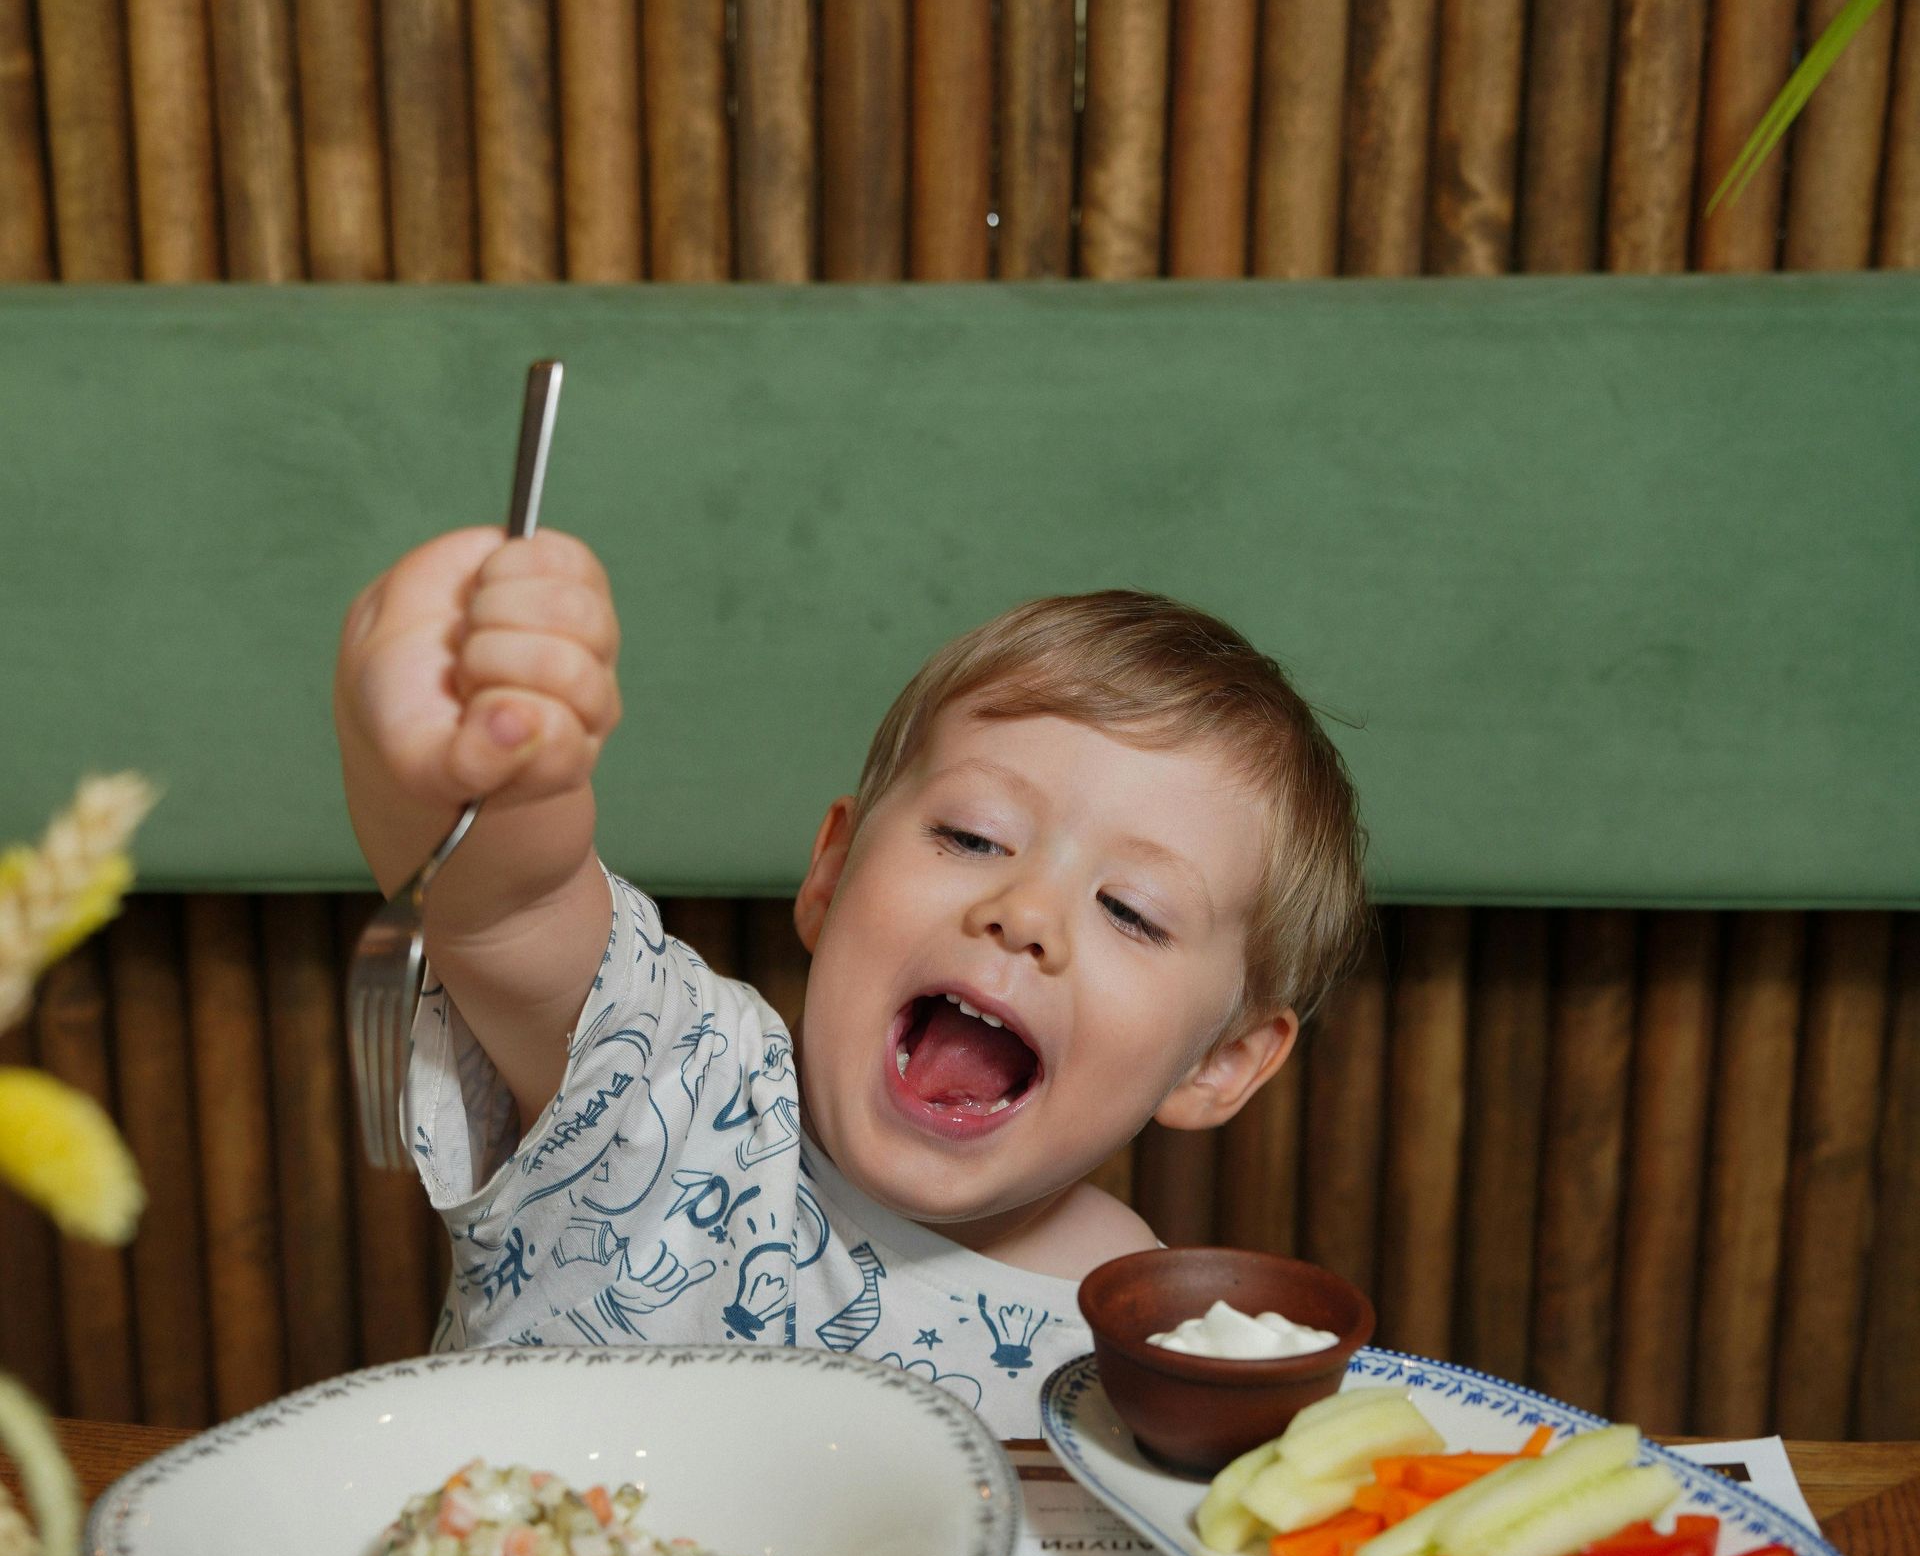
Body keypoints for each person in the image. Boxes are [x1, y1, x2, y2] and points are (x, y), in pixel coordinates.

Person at [334, 530, 1368, 1432]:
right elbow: (511, 906)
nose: (1026, 915)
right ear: (831, 873)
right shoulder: (676, 1089)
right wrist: (475, 756)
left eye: (1130, 910)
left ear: (1222, 1062)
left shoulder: (1146, 1345)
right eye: (972, 835)